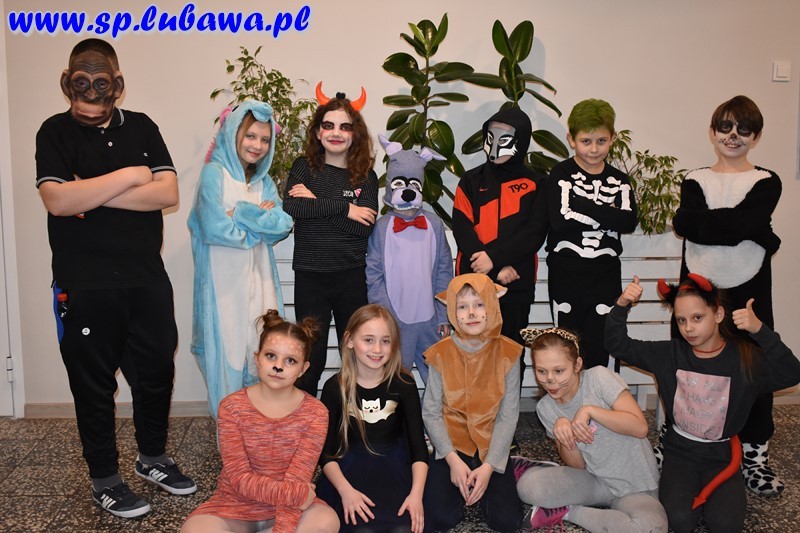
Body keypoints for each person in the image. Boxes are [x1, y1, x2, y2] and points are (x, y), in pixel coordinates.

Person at [35, 38, 194, 518]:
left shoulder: (142, 126)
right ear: (66, 82)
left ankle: (152, 458)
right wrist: (132, 174)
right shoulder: (53, 131)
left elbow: (167, 194)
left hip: (146, 279)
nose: (89, 93)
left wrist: (86, 193)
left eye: (99, 83)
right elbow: (57, 201)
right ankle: (104, 479)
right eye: (79, 83)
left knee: (156, 374)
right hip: (84, 284)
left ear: (118, 84)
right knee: (93, 386)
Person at [606, 274, 800, 532]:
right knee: (679, 521)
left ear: (718, 314)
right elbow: (617, 345)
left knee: (725, 525)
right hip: (680, 454)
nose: (688, 328)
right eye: (681, 320)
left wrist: (760, 331)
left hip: (722, 457)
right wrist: (621, 305)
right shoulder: (669, 354)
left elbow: (791, 373)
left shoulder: (744, 360)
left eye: (697, 318)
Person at [672, 95, 784, 495]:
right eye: (725, 127)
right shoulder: (695, 179)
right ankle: (681, 444)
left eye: (744, 129)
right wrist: (758, 232)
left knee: (754, 366)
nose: (733, 136)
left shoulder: (767, 180)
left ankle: (755, 457)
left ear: (757, 136)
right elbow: (686, 224)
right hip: (697, 287)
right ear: (712, 131)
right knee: (688, 364)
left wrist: (745, 226)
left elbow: (730, 224)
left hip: (749, 288)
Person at [181, 310, 339, 533]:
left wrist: (283, 529)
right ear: (257, 359)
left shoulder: (316, 413)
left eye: (290, 360)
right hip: (236, 504)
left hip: (293, 507)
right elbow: (239, 478)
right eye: (271, 356)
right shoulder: (231, 407)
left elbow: (298, 477)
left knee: (326, 521)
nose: (278, 366)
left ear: (303, 369)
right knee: (195, 529)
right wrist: (294, 494)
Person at [188, 101, 293, 419]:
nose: (257, 145)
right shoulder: (213, 175)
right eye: (250, 136)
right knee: (228, 361)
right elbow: (213, 227)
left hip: (262, 287)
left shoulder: (264, 183)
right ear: (234, 134)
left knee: (262, 354)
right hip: (224, 290)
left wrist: (240, 213)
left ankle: (264, 433)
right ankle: (230, 437)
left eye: (265, 139)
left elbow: (282, 225)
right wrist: (257, 221)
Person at [513, 327, 667, 532]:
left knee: (650, 528)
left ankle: (567, 511)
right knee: (528, 487)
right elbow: (577, 465)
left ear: (577, 365)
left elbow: (640, 427)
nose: (549, 379)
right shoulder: (545, 408)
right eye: (541, 371)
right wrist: (565, 434)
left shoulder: (599, 378)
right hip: (594, 481)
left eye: (559, 371)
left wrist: (590, 411)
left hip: (636, 486)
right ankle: (539, 469)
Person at [283, 85, 379, 397]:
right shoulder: (304, 167)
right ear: (318, 131)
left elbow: (363, 230)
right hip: (310, 277)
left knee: (356, 353)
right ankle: (306, 418)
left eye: (345, 127)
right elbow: (294, 208)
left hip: (351, 277)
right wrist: (346, 208)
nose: (336, 133)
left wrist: (316, 202)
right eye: (329, 125)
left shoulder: (366, 176)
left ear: (355, 134)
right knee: (312, 355)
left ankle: (354, 416)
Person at [421, 273, 524, 532]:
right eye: (462, 307)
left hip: (492, 446)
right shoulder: (440, 353)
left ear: (492, 305)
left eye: (479, 304)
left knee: (507, 521)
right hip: (452, 445)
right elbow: (431, 413)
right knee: (438, 519)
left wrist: (489, 467)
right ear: (451, 311)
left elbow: (508, 415)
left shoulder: (509, 353)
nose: (471, 313)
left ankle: (512, 467)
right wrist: (452, 459)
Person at [316, 304, 429, 532]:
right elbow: (325, 453)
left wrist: (416, 495)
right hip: (348, 473)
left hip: (396, 470)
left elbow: (418, 448)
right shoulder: (334, 388)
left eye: (385, 341)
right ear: (349, 340)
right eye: (368, 340)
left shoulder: (404, 385)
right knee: (360, 528)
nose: (377, 349)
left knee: (402, 528)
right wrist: (346, 492)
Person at [545, 98, 637, 370]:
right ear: (571, 140)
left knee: (605, 340)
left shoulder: (620, 180)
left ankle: (605, 396)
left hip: (605, 272)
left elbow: (628, 221)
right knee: (567, 344)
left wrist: (580, 203)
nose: (594, 149)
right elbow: (559, 222)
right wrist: (607, 213)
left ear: (612, 139)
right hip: (566, 270)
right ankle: (568, 396)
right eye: (586, 141)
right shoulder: (561, 173)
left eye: (601, 141)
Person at [451, 107, 548, 365]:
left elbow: (534, 233)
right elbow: (462, 227)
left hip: (516, 283)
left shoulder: (537, 183)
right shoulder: (470, 180)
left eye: (504, 138)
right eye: (490, 136)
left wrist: (495, 258)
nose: (495, 145)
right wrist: (492, 269)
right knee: (470, 358)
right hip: (472, 284)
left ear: (521, 140)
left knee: (510, 357)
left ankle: (509, 396)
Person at [366, 135, 452, 383]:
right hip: (394, 321)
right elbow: (373, 273)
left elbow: (444, 270)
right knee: (394, 380)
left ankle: (437, 411)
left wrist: (443, 314)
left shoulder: (434, 224)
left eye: (413, 184)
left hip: (430, 320)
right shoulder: (381, 227)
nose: (406, 191)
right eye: (399, 184)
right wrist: (384, 314)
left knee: (438, 379)